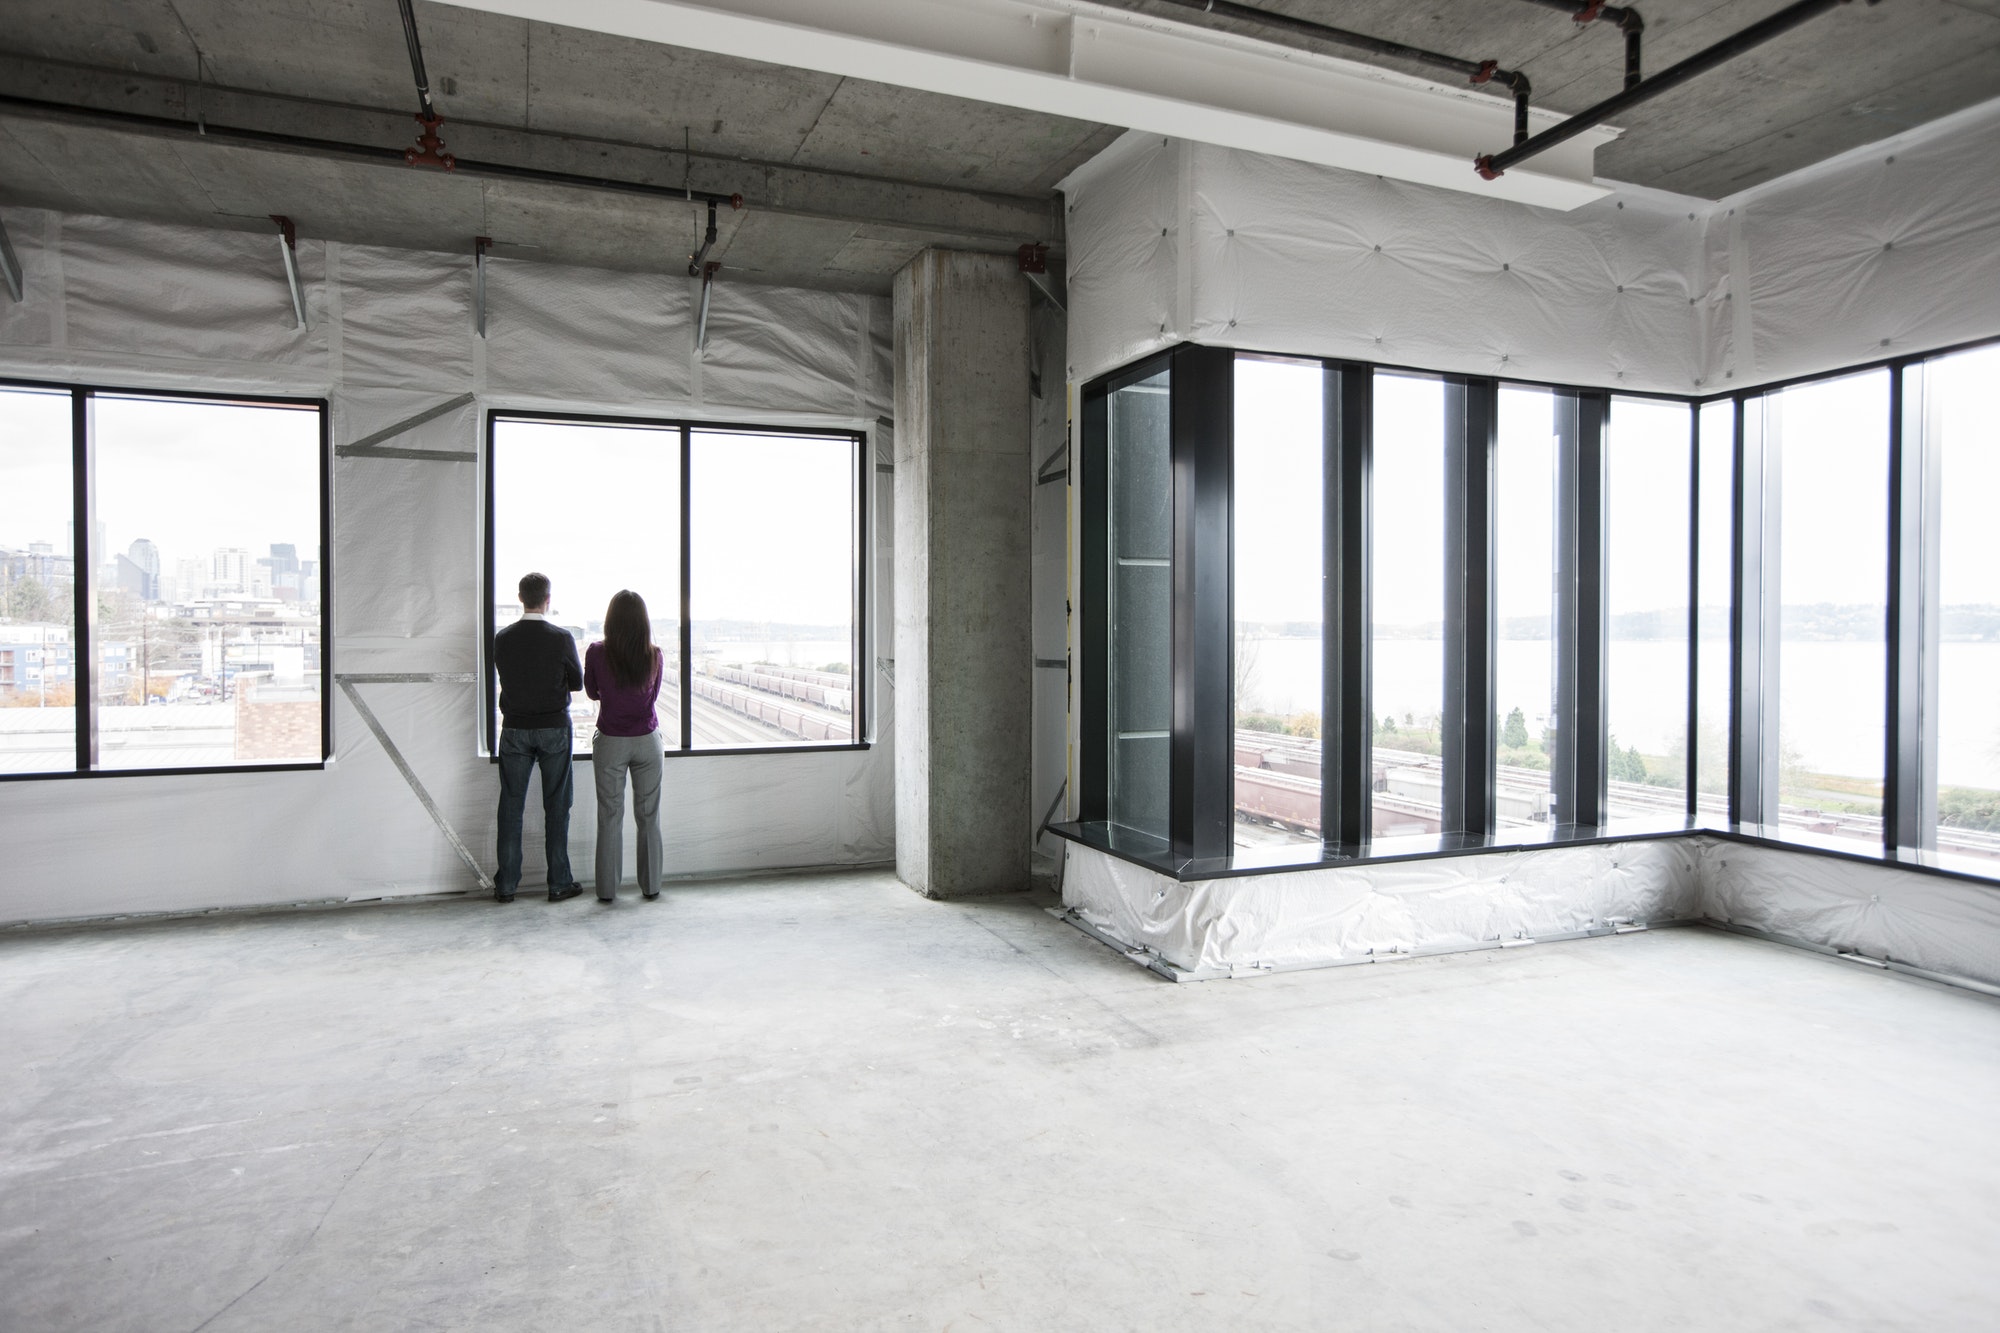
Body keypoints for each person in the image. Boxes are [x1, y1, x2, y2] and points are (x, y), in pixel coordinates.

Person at [491, 572, 584, 904]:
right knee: (557, 805)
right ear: (548, 599)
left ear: (520, 598)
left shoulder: (503, 639)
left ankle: (506, 886)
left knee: (511, 806)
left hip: (514, 728)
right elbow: (577, 683)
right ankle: (559, 882)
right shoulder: (561, 637)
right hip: (554, 727)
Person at [584, 590, 666, 903]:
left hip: (611, 741)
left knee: (609, 818)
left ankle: (607, 891)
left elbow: (591, 691)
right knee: (649, 817)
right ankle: (652, 886)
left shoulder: (597, 651)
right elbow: (653, 696)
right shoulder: (654, 654)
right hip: (647, 741)